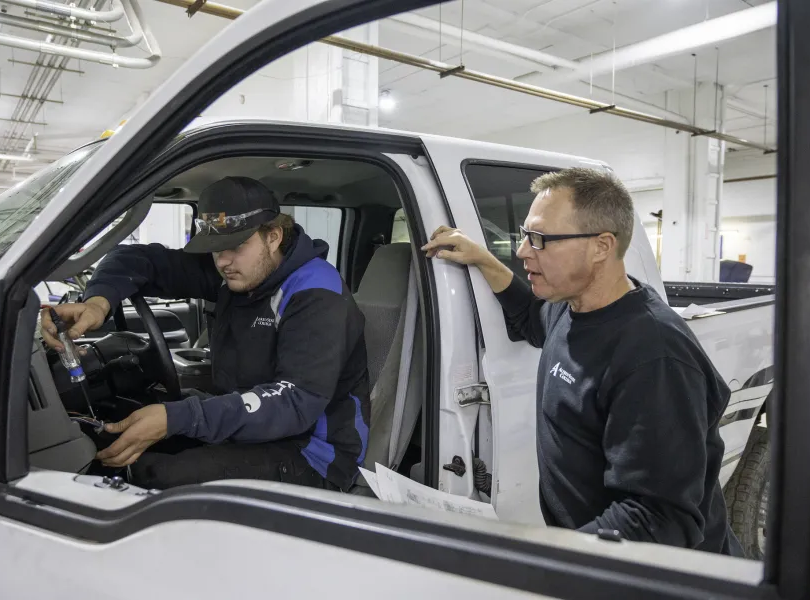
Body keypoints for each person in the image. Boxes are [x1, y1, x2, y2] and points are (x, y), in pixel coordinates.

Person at [422, 167, 743, 556]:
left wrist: (548, 559)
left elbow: (658, 519)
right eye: (525, 236)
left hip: (654, 577)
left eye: (540, 239)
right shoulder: (571, 307)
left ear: (601, 246)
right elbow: (529, 317)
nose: (524, 250)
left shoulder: (654, 355)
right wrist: (483, 259)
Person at [41, 176, 369, 492]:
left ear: (273, 237)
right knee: (119, 429)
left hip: (313, 453)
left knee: (158, 478)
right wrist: (99, 303)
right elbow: (135, 259)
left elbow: (294, 402)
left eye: (236, 245)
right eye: (215, 248)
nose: (223, 261)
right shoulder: (239, 271)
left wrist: (181, 417)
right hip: (253, 426)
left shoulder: (315, 293)